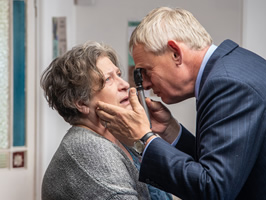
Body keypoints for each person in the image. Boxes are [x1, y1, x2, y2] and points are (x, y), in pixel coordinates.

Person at [95, 7, 266, 200]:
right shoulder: (230, 67)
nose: (146, 84)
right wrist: (171, 131)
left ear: (175, 52)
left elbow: (213, 190)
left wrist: (144, 138)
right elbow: (222, 163)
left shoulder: (226, 84)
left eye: (146, 71)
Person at [40, 41, 172, 200]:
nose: (124, 84)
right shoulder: (89, 149)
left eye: (118, 75)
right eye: (108, 79)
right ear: (81, 103)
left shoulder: (120, 138)